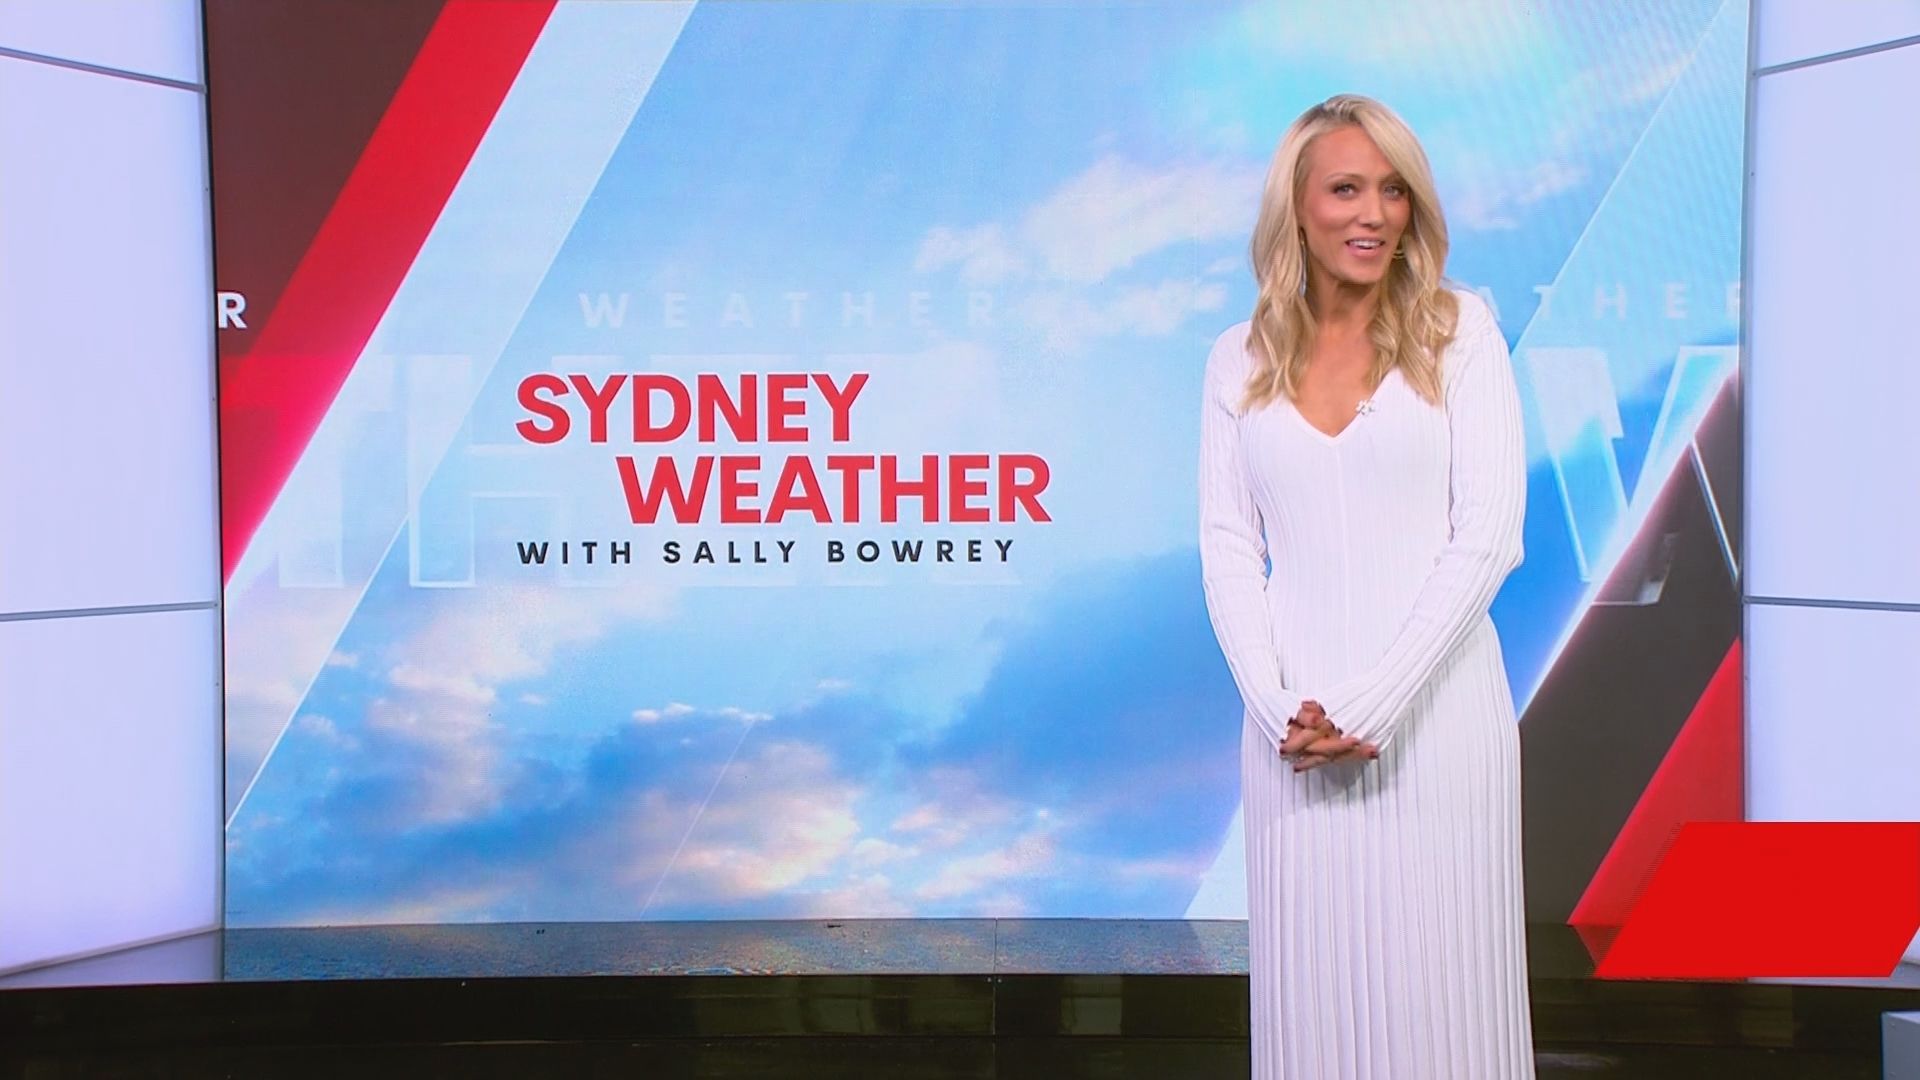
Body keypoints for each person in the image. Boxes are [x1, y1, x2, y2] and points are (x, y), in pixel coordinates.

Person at [1198, 94, 1534, 1079]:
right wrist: (1280, 710)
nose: (1374, 214)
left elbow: (1489, 538)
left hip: (1438, 725)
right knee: (1314, 1012)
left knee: (1448, 1010)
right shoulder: (1238, 358)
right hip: (1292, 740)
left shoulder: (1461, 333)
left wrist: (1369, 706)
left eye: (1394, 191)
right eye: (1346, 188)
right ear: (1297, 207)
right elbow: (1228, 546)